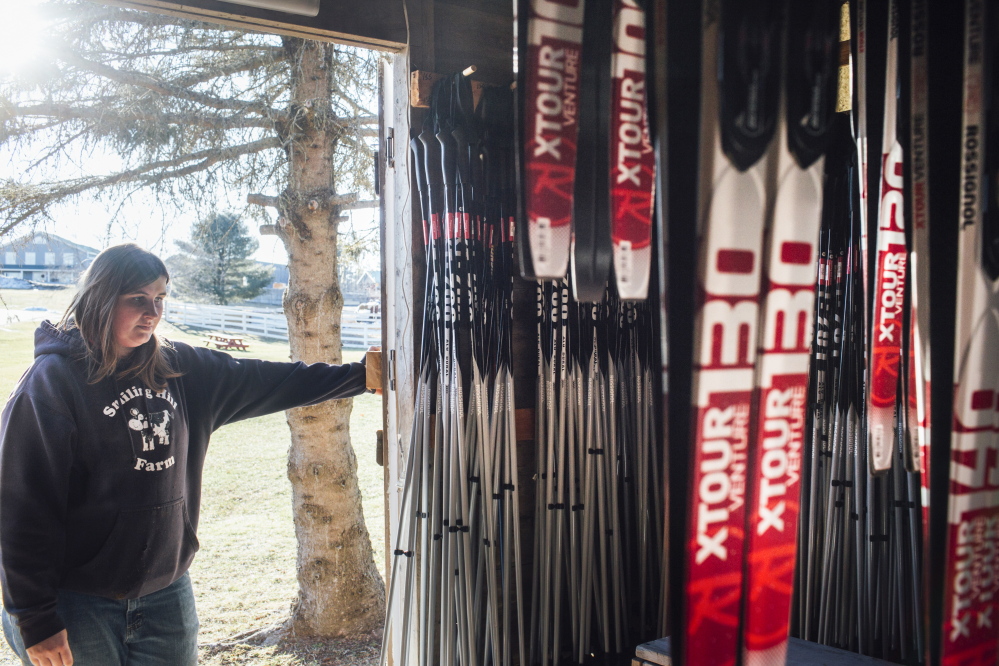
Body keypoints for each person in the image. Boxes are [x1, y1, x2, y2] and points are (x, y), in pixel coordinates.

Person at [0, 243, 376, 666]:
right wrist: (34, 618)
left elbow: (273, 380)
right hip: (77, 601)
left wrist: (361, 376)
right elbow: (22, 508)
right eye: (137, 299)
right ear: (100, 298)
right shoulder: (50, 384)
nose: (152, 312)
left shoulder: (180, 369)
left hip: (166, 591)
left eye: (160, 298)